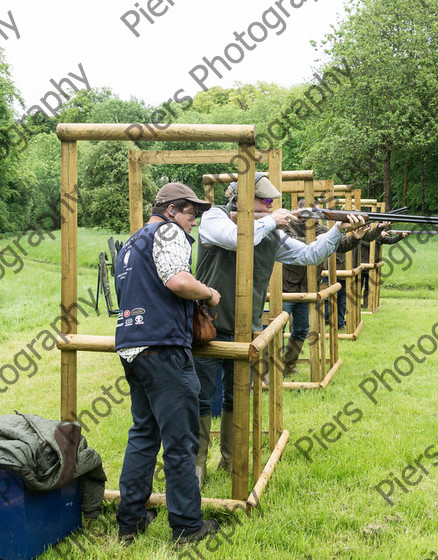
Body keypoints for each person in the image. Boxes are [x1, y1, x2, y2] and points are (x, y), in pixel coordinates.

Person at [193, 173, 364, 484]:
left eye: (272, 202)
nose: (271, 205)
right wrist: (271, 220)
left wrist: (339, 228)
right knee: (202, 399)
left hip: (247, 329)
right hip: (205, 327)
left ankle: (229, 461)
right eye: (263, 201)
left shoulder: (270, 232)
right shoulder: (214, 217)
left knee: (236, 397)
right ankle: (197, 469)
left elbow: (310, 255)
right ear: (240, 200)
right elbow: (236, 238)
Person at [114, 183, 222, 547]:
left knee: (143, 435)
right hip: (163, 349)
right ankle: (188, 528)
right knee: (180, 442)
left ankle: (130, 521)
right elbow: (177, 281)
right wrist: (209, 293)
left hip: (131, 346)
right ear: (172, 210)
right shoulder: (169, 231)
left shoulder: (131, 243)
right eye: (191, 213)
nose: (194, 221)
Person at [281, 199, 368, 377]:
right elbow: (298, 244)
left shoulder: (319, 229)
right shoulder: (286, 226)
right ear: (301, 212)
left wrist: (356, 236)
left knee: (302, 329)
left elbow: (339, 244)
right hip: (285, 288)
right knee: (277, 330)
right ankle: (268, 371)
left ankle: (287, 366)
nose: (318, 219)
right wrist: (324, 238)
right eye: (315, 213)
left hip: (309, 287)